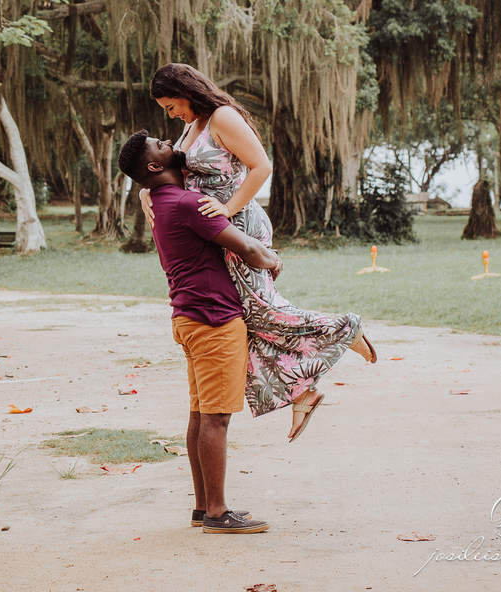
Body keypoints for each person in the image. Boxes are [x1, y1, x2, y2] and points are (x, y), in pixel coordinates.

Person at [145, 63, 377, 442]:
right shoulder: (193, 125)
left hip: (237, 223)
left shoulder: (222, 117)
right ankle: (302, 391)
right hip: (215, 227)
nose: (172, 115)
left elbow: (261, 166)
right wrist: (144, 192)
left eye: (172, 106)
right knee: (246, 319)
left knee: (259, 310)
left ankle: (346, 327)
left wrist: (229, 209)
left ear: (186, 91)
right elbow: (176, 172)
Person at [118, 129, 279, 535]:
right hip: (214, 318)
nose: (168, 142)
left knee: (200, 414)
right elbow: (248, 249)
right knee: (217, 418)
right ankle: (217, 513)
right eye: (159, 144)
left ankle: (203, 506)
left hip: (188, 316)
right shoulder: (189, 203)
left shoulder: (158, 200)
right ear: (155, 165)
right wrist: (272, 259)